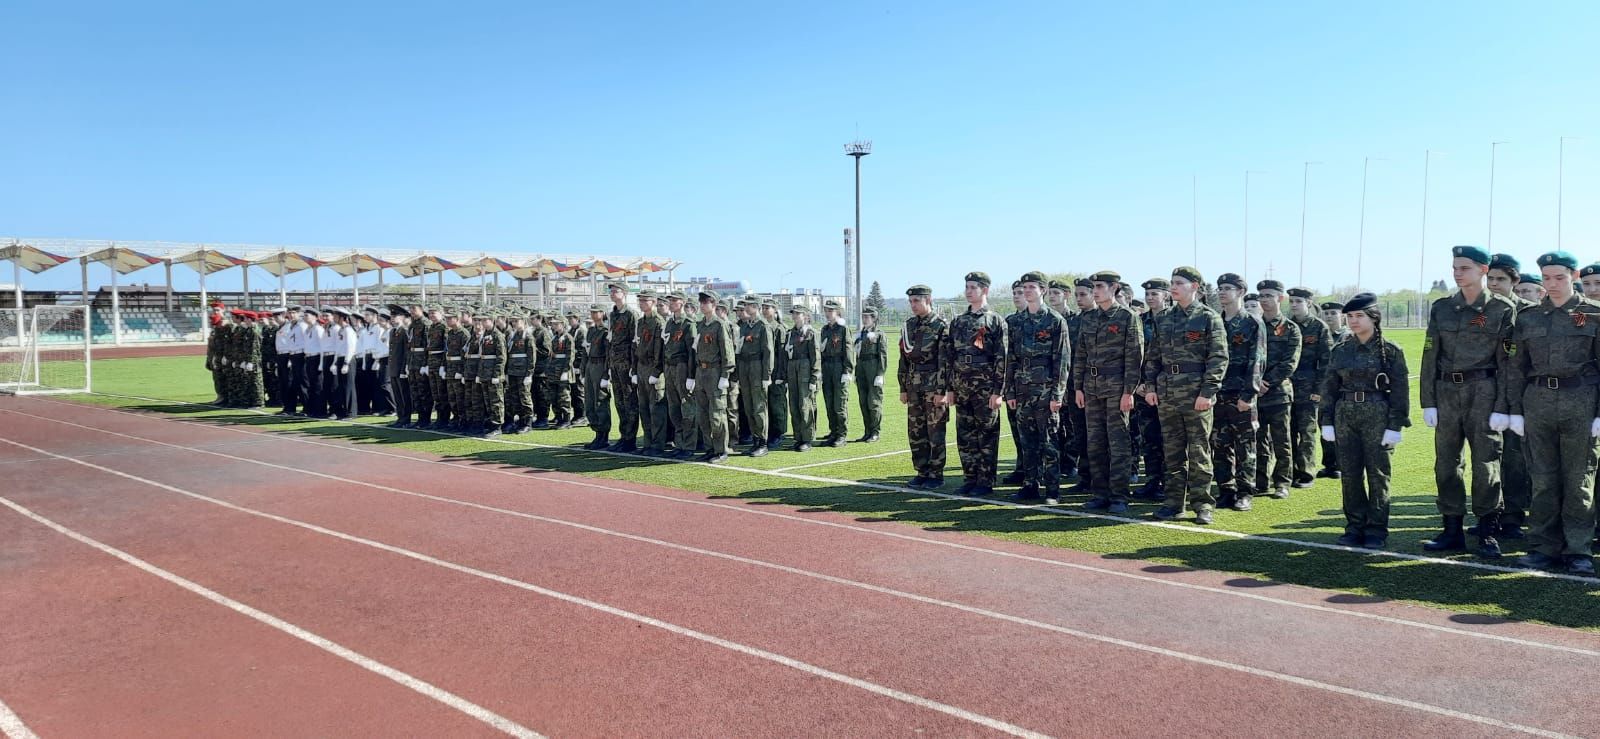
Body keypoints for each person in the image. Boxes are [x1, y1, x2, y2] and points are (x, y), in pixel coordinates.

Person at [1419, 245, 1517, 559]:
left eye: (1464, 267)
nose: (1457, 273)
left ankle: (1488, 531)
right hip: (1447, 391)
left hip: (1484, 390)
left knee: (1486, 464)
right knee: (1446, 464)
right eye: (1455, 267)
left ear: (1483, 270)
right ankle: (1451, 531)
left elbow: (1507, 363)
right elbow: (1430, 354)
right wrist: (1428, 400)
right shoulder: (1442, 308)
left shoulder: (1501, 309)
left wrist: (1503, 405)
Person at [1505, 251, 1599, 575]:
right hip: (1538, 402)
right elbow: (1516, 368)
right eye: (1546, 277)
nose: (1552, 284)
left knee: (1579, 481)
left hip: (1581, 402)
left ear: (1572, 276)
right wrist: (1515, 411)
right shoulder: (1528, 317)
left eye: (1559, 277)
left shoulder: (1594, 314)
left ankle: (1578, 550)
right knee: (1543, 481)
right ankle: (1542, 548)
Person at [1321, 292, 1411, 550]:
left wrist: (1396, 425)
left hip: (1377, 414)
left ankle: (1376, 529)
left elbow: (1401, 390)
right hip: (1345, 414)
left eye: (1359, 316)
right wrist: (1326, 419)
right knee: (1349, 475)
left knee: (1378, 474)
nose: (1353, 321)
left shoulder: (1391, 350)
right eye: (1349, 316)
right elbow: (1329, 386)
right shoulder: (1340, 349)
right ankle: (1354, 526)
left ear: (1374, 317)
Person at [1142, 267, 1229, 524]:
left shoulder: (1208, 317)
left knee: (1199, 451)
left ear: (1195, 286)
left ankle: (1202, 504)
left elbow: (1218, 357)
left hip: (1195, 394)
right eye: (1172, 282)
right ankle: (1173, 503)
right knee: (1172, 452)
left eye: (1179, 283)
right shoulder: (1165, 317)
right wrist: (1150, 387)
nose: (1174, 286)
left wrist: (1208, 391)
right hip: (1168, 392)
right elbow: (1153, 355)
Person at [1075, 270, 1144, 512]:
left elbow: (1135, 357)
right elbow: (1080, 355)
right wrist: (1078, 388)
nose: (1095, 290)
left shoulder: (1127, 317)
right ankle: (1100, 493)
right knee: (1095, 444)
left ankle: (1119, 496)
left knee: (1118, 444)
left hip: (1116, 388)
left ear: (1114, 288)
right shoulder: (1089, 318)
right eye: (1093, 286)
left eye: (1100, 286)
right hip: (1092, 388)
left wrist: (1129, 391)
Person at [1005, 271, 1071, 504]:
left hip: (1045, 389)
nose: (1027, 291)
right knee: (1027, 442)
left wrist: (1057, 394)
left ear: (1042, 290)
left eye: (1032, 287)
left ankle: (1052, 490)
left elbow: (1062, 361)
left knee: (1049, 441)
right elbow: (1010, 359)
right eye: (1024, 288)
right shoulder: (1015, 322)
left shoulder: (1054, 321)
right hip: (1022, 389)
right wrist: (1010, 391)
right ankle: (1030, 485)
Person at [944, 272, 1007, 496]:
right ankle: (970, 478)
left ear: (985, 290)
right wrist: (949, 388)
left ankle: (985, 480)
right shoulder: (958, 321)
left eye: (973, 287)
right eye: (967, 287)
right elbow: (949, 356)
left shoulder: (994, 320)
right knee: (965, 435)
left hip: (985, 385)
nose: (968, 291)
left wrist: (997, 391)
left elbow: (1002, 358)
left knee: (987, 434)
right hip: (962, 385)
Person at [1487, 253, 1533, 538]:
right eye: (1490, 279)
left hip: (1519, 394)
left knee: (1515, 457)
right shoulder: (1479, 311)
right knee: (1489, 457)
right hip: (1486, 392)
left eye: (1501, 279)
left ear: (1514, 281)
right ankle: (1491, 514)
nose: (1494, 284)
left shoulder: (1528, 312)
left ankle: (1515, 515)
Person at [1213, 273, 1266, 511]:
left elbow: (1258, 360)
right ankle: (1226, 489)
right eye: (1220, 288)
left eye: (1227, 288)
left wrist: (1249, 394)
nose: (1222, 292)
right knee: (1220, 444)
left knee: (1246, 445)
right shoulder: (1215, 321)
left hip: (1241, 394)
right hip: (1218, 393)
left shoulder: (1252, 322)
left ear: (1240, 292)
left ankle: (1245, 492)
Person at [1253, 280, 1302, 500]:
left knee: (1282, 440)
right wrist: (1255, 383)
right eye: (1261, 296)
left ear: (1280, 298)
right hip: (1255, 394)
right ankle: (1261, 481)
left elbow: (1289, 363)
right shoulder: (1253, 325)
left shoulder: (1291, 329)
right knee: (1258, 439)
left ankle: (1282, 482)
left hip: (1279, 394)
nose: (1264, 300)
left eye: (1269, 295)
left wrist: (1266, 382)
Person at [899, 285, 951, 489]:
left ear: (928, 300)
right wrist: (903, 387)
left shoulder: (940, 326)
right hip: (913, 386)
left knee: (935, 431)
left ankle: (936, 474)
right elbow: (904, 359)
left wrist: (942, 391)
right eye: (911, 301)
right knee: (915, 431)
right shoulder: (909, 325)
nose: (913, 305)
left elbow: (944, 361)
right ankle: (922, 471)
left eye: (917, 301)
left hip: (933, 385)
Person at [1286, 288, 1332, 488]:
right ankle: (1289, 471)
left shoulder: (1318, 327)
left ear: (1309, 303)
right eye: (1291, 301)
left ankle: (1306, 473)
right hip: (1288, 385)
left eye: (1298, 301)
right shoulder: (1286, 326)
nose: (1294, 304)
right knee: (1289, 431)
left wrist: (1319, 390)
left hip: (1309, 386)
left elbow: (1327, 362)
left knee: (1306, 431)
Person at [1133, 279, 1171, 501]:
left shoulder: (1174, 320)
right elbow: (1132, 355)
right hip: (1143, 390)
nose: (1149, 297)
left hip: (1169, 389)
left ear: (1166, 295)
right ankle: (1152, 481)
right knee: (1149, 437)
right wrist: (1137, 384)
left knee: (1170, 439)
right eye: (1147, 294)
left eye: (1154, 293)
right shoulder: (1139, 321)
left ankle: (1170, 483)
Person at [692, 289, 735, 463]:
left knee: (717, 414)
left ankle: (721, 450)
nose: (703, 305)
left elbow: (727, 351)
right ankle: (709, 448)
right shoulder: (701, 325)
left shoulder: (720, 324)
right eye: (701, 302)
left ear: (714, 304)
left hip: (715, 371)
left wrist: (725, 374)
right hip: (701, 372)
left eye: (706, 302)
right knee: (702, 414)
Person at [1062, 278, 1093, 490]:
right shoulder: (1073, 322)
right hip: (1075, 385)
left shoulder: (1099, 319)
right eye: (1077, 295)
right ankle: (1085, 477)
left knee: (1099, 436)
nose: (1079, 299)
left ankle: (1102, 479)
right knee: (1080, 433)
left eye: (1083, 294)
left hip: (1098, 385)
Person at [734, 298, 773, 456]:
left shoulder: (763, 326)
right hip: (745, 367)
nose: (746, 308)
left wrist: (766, 375)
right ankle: (755, 440)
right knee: (749, 406)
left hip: (757, 367)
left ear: (756, 307)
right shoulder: (743, 327)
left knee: (758, 407)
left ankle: (762, 442)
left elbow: (768, 352)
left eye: (749, 305)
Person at [664, 292, 701, 458]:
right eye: (670, 301)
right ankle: (679, 443)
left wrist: (691, 375)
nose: (671, 303)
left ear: (682, 303)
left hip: (683, 366)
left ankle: (689, 445)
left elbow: (692, 352)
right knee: (674, 408)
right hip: (670, 367)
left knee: (687, 408)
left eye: (674, 300)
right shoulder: (670, 324)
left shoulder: (688, 324)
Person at [606, 283, 641, 452]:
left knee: (630, 402)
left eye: (615, 291)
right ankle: (623, 436)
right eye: (611, 291)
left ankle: (630, 439)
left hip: (626, 363)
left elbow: (634, 343)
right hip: (615, 363)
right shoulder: (613, 314)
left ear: (624, 293)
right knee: (619, 402)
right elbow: (611, 340)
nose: (612, 294)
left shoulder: (631, 314)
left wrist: (633, 367)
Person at [633, 291, 669, 454]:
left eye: (644, 300)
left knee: (656, 410)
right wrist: (634, 370)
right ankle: (648, 443)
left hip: (653, 369)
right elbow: (637, 346)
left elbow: (660, 350)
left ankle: (657, 445)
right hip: (641, 368)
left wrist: (656, 371)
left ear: (653, 302)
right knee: (644, 408)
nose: (641, 303)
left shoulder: (658, 322)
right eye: (640, 300)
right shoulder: (641, 322)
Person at [1316, 300, 1348, 479]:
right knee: (1324, 424)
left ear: (1342, 315)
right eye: (1326, 313)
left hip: (1342, 388)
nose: (1329, 316)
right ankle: (1329, 464)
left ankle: (1341, 464)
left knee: (1340, 427)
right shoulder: (1320, 334)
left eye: (1333, 313)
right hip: (1323, 388)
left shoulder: (1347, 336)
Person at [1002, 280, 1029, 485]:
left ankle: (1036, 471)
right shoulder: (1009, 321)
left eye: (1021, 292)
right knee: (1017, 430)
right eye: (1015, 293)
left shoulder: (1041, 319)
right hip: (1015, 384)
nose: (1017, 296)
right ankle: (1021, 468)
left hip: (1037, 386)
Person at [819, 299, 855, 446]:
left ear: (837, 312)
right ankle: (833, 431)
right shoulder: (824, 330)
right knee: (829, 402)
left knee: (839, 403)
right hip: (827, 367)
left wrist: (848, 370)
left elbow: (848, 350)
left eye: (831, 311)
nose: (828, 314)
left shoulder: (843, 329)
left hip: (839, 367)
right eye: (826, 311)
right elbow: (821, 351)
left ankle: (841, 434)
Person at [786, 305, 822, 451]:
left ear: (805, 316)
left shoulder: (811, 333)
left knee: (805, 404)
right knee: (794, 405)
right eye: (793, 314)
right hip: (792, 368)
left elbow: (816, 356)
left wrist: (814, 377)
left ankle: (807, 438)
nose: (794, 316)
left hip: (805, 369)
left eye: (798, 314)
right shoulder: (790, 333)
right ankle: (798, 437)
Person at [854, 307, 888, 443]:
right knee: (863, 401)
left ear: (874, 319)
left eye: (867, 317)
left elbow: (883, 355)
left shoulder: (879, 334)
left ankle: (875, 432)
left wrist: (880, 374)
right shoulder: (860, 334)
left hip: (873, 367)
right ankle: (867, 431)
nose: (864, 319)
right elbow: (856, 353)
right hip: (861, 368)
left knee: (873, 402)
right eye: (863, 316)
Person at [582, 304, 613, 449]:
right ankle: (596, 433)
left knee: (601, 401)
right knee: (590, 401)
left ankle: (603, 435)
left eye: (597, 312)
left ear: (603, 313)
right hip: (590, 365)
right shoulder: (591, 330)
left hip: (600, 365)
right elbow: (585, 352)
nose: (594, 315)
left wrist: (606, 375)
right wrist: (583, 371)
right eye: (592, 312)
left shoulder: (606, 331)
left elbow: (608, 354)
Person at [762, 300, 789, 446]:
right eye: (764, 308)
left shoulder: (778, 329)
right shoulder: (762, 327)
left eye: (768, 308)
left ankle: (778, 433)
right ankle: (769, 431)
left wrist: (781, 375)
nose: (765, 311)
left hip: (776, 372)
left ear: (775, 310)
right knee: (766, 404)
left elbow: (782, 354)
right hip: (764, 372)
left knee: (777, 404)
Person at [545, 310, 577, 430]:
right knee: (553, 396)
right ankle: (558, 417)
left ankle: (566, 419)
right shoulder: (554, 338)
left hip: (563, 370)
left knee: (564, 396)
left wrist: (565, 371)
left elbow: (570, 356)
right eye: (553, 324)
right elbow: (551, 355)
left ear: (562, 324)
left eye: (556, 324)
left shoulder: (568, 338)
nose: (554, 326)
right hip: (553, 370)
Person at [478, 311, 508, 437]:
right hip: (485, 372)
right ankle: (491, 423)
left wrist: (497, 374)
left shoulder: (497, 335)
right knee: (488, 400)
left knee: (496, 400)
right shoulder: (485, 334)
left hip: (493, 374)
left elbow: (501, 357)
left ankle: (497, 425)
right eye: (482, 321)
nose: (483, 323)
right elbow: (482, 356)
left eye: (486, 320)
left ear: (492, 320)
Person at [387, 305, 412, 428]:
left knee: (404, 395)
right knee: (397, 395)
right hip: (393, 368)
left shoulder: (404, 331)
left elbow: (406, 352)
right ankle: (400, 417)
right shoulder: (392, 331)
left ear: (402, 317)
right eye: (391, 316)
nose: (392, 318)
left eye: (395, 316)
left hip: (401, 369)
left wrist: (404, 369)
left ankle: (406, 419)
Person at [276, 305, 303, 416]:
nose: (291, 315)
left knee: (290, 383)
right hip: (282, 356)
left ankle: (291, 408)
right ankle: (287, 407)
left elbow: (291, 343)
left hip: (289, 355)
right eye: (289, 313)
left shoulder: (290, 327)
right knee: (283, 383)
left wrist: (290, 359)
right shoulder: (286, 327)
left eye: (293, 313)